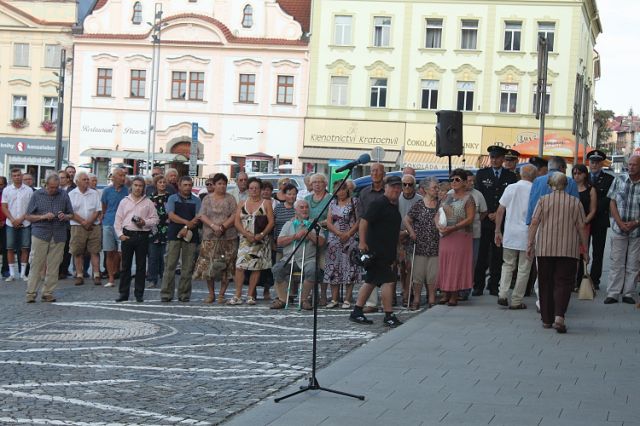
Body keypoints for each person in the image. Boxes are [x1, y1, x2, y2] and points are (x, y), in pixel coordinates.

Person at [527, 173, 588, 333]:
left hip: (545, 248)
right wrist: (585, 249)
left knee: (545, 282)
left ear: (549, 185)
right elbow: (581, 227)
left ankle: (547, 319)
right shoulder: (575, 202)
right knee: (564, 282)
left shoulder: (543, 201)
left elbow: (534, 222)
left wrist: (530, 243)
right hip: (568, 249)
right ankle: (559, 316)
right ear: (566, 185)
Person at [350, 175, 403, 328]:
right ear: (385, 188)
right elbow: (364, 221)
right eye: (393, 186)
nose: (396, 189)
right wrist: (362, 242)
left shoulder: (392, 205)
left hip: (386, 251)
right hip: (376, 250)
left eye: (398, 187)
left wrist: (399, 248)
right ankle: (388, 315)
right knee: (388, 281)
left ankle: (357, 311)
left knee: (371, 281)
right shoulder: (379, 203)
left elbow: (391, 230)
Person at [473, 145, 517, 296]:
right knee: (482, 255)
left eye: (497, 158)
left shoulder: (510, 176)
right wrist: (489, 213)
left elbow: (510, 198)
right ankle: (478, 285)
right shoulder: (481, 174)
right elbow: (479, 195)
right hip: (485, 220)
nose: (494, 160)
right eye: (492, 157)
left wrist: (497, 213)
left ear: (503, 159)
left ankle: (493, 285)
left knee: (498, 256)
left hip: (501, 221)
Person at [24, 174, 73, 303]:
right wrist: (43, 216)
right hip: (40, 232)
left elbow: (71, 214)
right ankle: (31, 293)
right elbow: (28, 216)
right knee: (36, 264)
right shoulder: (37, 195)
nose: (54, 190)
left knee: (54, 265)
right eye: (51, 187)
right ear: (46, 184)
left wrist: (65, 216)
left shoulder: (63, 195)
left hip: (58, 233)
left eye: (56, 187)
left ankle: (48, 292)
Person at [494, 164, 536, 309]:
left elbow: (500, 211)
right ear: (534, 176)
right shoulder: (534, 190)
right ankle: (517, 300)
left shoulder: (511, 188)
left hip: (510, 233)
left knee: (507, 265)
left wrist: (497, 231)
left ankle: (503, 294)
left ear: (520, 174)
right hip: (527, 234)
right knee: (524, 269)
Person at [271, 199, 325, 310]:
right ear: (295, 210)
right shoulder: (289, 224)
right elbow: (280, 241)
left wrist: (308, 234)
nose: (304, 209)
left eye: (306, 207)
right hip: (290, 258)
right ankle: (282, 299)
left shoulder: (315, 224)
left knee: (312, 271)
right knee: (277, 269)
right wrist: (295, 236)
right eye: (301, 207)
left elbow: (321, 243)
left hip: (308, 259)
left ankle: (303, 300)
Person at [228, 177, 274, 305]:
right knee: (240, 266)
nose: (254, 190)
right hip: (245, 239)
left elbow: (271, 222)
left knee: (256, 267)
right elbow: (237, 221)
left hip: (260, 240)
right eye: (251, 188)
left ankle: (250, 295)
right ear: (248, 189)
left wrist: (262, 234)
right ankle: (237, 295)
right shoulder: (242, 203)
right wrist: (245, 234)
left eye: (256, 188)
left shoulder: (266, 203)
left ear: (260, 189)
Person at [193, 173, 238, 304]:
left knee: (227, 265)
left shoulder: (230, 199)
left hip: (228, 236)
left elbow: (234, 215)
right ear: (214, 184)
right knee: (209, 266)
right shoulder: (207, 198)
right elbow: (202, 215)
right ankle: (211, 293)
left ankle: (221, 294)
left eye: (224, 184)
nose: (222, 186)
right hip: (210, 236)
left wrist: (223, 227)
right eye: (219, 184)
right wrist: (214, 226)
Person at [113, 177, 159, 302]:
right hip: (127, 235)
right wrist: (120, 235)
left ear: (143, 188)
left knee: (141, 266)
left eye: (140, 186)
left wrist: (145, 222)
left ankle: (139, 294)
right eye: (136, 185)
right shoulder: (124, 201)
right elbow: (118, 220)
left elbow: (155, 219)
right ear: (131, 186)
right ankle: (123, 293)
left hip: (142, 236)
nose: (138, 188)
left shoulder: (148, 202)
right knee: (125, 266)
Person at [604, 155, 640, 305]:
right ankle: (613, 293)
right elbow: (612, 202)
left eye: (634, 165)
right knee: (616, 261)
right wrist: (619, 222)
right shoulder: (619, 180)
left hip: (637, 230)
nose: (631, 167)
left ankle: (629, 293)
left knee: (633, 263)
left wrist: (635, 223)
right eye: (629, 164)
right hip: (619, 228)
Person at [436, 169, 475, 306]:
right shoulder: (447, 196)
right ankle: (445, 292)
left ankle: (454, 294)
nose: (453, 182)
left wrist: (453, 227)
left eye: (457, 179)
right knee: (445, 263)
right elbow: (438, 212)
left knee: (456, 264)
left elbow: (470, 218)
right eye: (452, 179)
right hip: (445, 235)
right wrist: (439, 226)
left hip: (461, 235)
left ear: (464, 182)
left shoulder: (468, 198)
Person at [160, 176, 201, 303]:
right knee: (170, 265)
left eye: (189, 185)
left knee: (187, 266)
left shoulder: (196, 200)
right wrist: (186, 224)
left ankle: (184, 294)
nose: (188, 187)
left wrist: (186, 227)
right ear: (179, 185)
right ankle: (166, 294)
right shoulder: (172, 198)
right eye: (185, 185)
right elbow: (171, 216)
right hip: (174, 235)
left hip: (191, 236)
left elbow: (198, 217)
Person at [323, 180, 360, 309]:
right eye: (338, 189)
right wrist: (338, 234)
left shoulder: (354, 201)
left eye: (343, 189)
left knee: (350, 268)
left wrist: (348, 234)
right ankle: (334, 299)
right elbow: (328, 222)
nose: (341, 192)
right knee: (334, 268)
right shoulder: (332, 203)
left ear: (347, 190)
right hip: (334, 238)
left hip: (350, 239)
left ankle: (347, 299)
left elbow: (358, 220)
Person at [405, 177, 440, 309]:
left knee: (432, 274)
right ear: (425, 190)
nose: (437, 190)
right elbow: (406, 220)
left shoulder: (440, 204)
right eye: (434, 187)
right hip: (419, 244)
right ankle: (417, 299)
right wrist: (412, 232)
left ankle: (431, 298)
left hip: (435, 244)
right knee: (418, 274)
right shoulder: (419, 205)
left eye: (437, 187)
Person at [356, 163, 386, 313]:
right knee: (370, 268)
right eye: (372, 171)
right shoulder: (365, 192)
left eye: (377, 171)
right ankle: (371, 303)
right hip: (368, 234)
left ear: (383, 174)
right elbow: (360, 216)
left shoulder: (388, 191)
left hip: (386, 233)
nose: (374, 173)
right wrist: (361, 239)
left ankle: (388, 302)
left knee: (387, 267)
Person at [586, 150, 614, 290]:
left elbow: (608, 199)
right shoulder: (583, 178)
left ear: (602, 163)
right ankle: (581, 278)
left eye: (597, 162)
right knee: (582, 250)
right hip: (584, 220)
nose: (594, 164)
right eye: (592, 162)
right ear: (588, 163)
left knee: (598, 252)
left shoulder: (609, 179)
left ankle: (594, 280)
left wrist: (593, 210)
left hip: (600, 220)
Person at [68, 171, 102, 286]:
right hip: (77, 226)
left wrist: (89, 222)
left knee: (95, 251)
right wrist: (83, 222)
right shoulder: (72, 194)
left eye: (87, 179)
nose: (87, 181)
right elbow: (71, 212)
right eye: (84, 179)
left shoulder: (94, 193)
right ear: (77, 181)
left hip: (94, 226)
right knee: (78, 252)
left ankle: (96, 274)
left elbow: (98, 210)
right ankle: (79, 275)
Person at [305, 173, 332, 305]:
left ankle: (323, 295)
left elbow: (333, 217)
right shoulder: (307, 198)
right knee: (310, 266)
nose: (317, 184)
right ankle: (310, 294)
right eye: (314, 182)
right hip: (309, 237)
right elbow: (302, 215)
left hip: (325, 235)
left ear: (325, 184)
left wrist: (319, 224)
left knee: (322, 266)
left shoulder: (330, 198)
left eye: (320, 182)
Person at [1, 168, 33, 281]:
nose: (17, 177)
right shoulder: (7, 190)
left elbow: (31, 208)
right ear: (11, 177)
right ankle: (12, 274)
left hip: (25, 222)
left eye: (18, 175)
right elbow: (4, 207)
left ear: (21, 176)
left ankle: (23, 274)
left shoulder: (29, 190)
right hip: (11, 223)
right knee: (9, 248)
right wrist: (12, 219)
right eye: (14, 175)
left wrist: (21, 219)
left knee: (25, 248)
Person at [397, 174, 422, 306]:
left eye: (410, 184)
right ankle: (403, 290)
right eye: (404, 184)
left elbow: (421, 221)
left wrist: (407, 232)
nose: (407, 187)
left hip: (413, 236)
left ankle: (408, 293)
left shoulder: (420, 200)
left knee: (410, 266)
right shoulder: (397, 198)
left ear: (414, 185)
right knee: (401, 266)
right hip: (398, 237)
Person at [572, 164, 597, 291]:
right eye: (574, 173)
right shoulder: (570, 187)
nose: (576, 176)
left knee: (582, 252)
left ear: (585, 174)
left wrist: (584, 222)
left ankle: (580, 281)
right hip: (570, 225)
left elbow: (593, 210)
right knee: (571, 252)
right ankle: (571, 281)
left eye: (579, 173)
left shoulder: (590, 189)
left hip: (584, 224)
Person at [101, 168, 128, 288]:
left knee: (123, 252)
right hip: (108, 223)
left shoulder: (127, 191)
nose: (123, 178)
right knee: (109, 252)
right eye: (121, 175)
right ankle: (111, 278)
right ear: (114, 177)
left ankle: (121, 274)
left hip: (122, 225)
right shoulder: (107, 191)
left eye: (124, 176)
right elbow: (104, 207)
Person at [146, 175, 170, 289]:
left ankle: (165, 278)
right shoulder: (150, 198)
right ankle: (152, 279)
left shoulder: (171, 197)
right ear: (156, 184)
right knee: (153, 256)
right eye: (160, 182)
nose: (162, 184)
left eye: (164, 182)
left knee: (165, 256)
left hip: (167, 229)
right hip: (153, 230)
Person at [0, 176, 8, 277]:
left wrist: (4, 220)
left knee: (6, 248)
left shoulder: (7, 194)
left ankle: (5, 270)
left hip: (5, 223)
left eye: (1, 184)